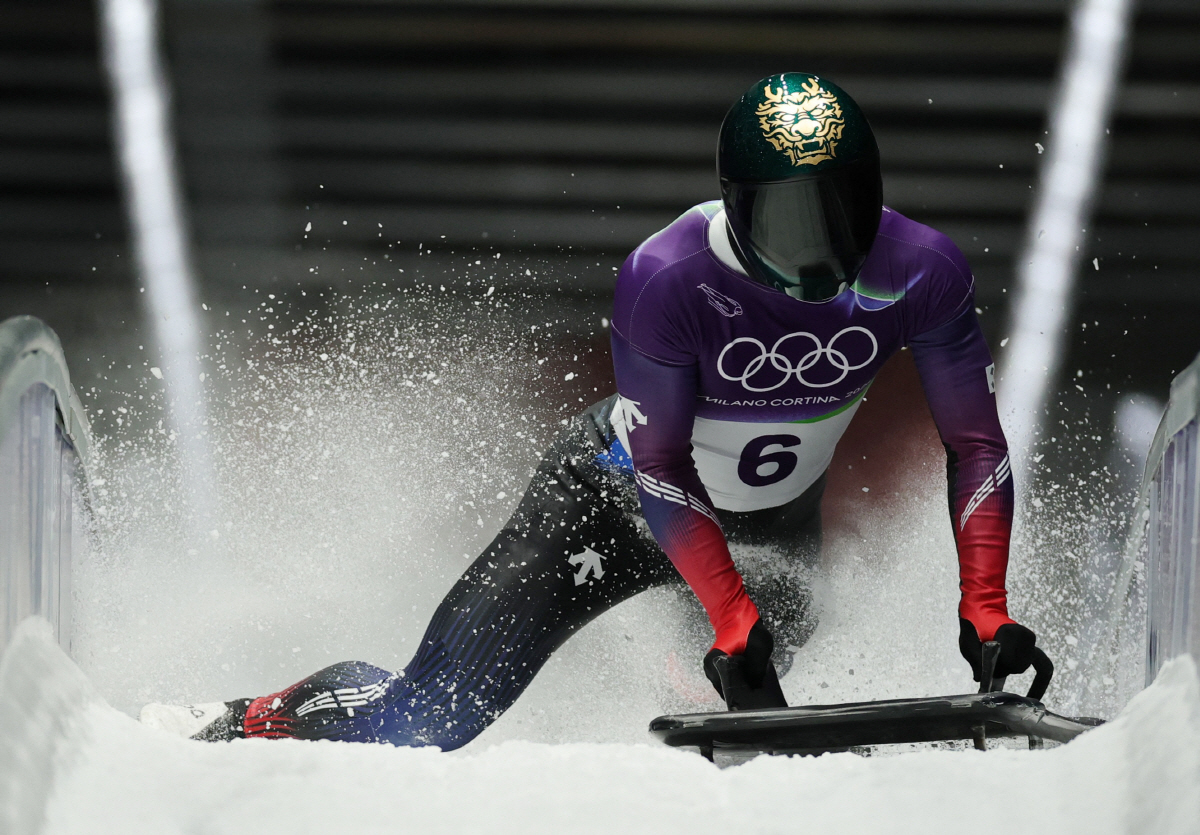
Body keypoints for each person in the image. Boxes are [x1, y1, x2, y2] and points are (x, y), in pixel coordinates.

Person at [142, 72, 1039, 746]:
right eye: (789, 221)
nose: (820, 251)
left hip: (774, 539)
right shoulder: (668, 276)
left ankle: (682, 660)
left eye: (841, 211)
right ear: (735, 205)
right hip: (610, 506)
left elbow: (973, 444)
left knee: (738, 736)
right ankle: (242, 716)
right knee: (427, 719)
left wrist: (986, 609)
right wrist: (730, 618)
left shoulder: (924, 269)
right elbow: (659, 467)